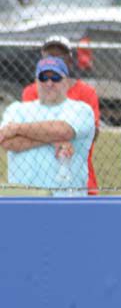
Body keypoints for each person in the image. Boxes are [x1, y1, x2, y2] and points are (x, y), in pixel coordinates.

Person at [0, 57, 95, 196]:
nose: (49, 83)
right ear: (36, 82)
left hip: (66, 200)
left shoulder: (81, 109)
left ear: (67, 82)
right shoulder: (17, 109)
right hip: (23, 199)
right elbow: (7, 141)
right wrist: (52, 139)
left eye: (55, 77)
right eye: (43, 77)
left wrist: (17, 129)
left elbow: (64, 131)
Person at [21, 35, 101, 195]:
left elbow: (92, 133)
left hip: (80, 179)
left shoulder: (86, 92)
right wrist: (65, 132)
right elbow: (26, 132)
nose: (54, 61)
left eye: (60, 57)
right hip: (39, 181)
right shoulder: (31, 92)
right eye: (49, 56)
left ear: (70, 61)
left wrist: (45, 132)